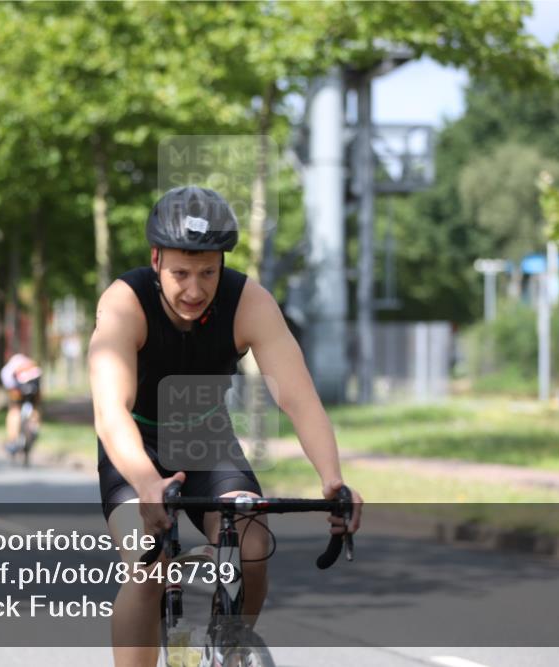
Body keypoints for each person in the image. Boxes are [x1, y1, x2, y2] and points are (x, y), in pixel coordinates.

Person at [88, 186, 364, 666]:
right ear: (155, 259)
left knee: (252, 545)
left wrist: (332, 479)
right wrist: (147, 483)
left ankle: (226, 648)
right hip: (137, 444)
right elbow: (110, 409)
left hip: (204, 437)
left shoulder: (248, 301)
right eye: (180, 273)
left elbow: (298, 397)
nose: (194, 290)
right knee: (147, 567)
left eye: (208, 273)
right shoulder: (124, 303)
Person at [0, 352, 42, 455]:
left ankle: (12, 441)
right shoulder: (32, 364)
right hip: (34, 387)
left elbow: (8, 383)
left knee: (15, 410)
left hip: (18, 387)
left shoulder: (9, 368)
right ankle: (34, 428)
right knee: (35, 408)